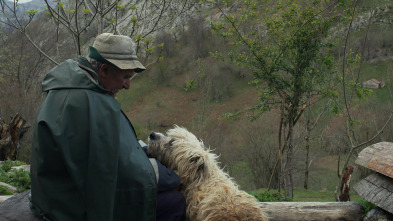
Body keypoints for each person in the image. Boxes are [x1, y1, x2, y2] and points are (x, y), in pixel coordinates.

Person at [30, 33, 186, 221]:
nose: (127, 85)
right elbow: (127, 173)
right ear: (104, 70)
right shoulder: (93, 105)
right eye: (126, 76)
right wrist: (173, 179)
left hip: (53, 197)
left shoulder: (66, 88)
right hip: (70, 208)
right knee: (174, 202)